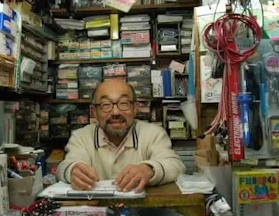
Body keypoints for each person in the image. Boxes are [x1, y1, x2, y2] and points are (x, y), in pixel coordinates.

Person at [56, 79, 185, 193]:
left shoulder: (154, 133)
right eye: (106, 105)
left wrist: (149, 169)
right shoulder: (81, 137)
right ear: (94, 112)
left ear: (135, 108)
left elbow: (176, 166)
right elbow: (65, 166)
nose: (115, 112)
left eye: (123, 103)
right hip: (96, 211)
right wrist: (73, 170)